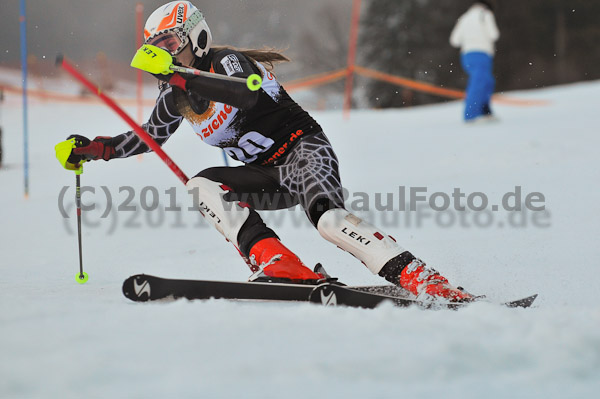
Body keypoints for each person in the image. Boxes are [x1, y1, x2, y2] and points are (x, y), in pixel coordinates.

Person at [61, 1, 471, 301]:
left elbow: (245, 98)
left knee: (328, 222)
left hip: (304, 152)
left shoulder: (227, 62)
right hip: (269, 176)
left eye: (172, 43)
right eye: (159, 48)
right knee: (201, 185)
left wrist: (182, 78)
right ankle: (280, 264)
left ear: (197, 37)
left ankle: (424, 280)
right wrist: (95, 149)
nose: (167, 55)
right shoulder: (175, 94)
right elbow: (147, 137)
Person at [450, 0, 500, 122]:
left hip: (467, 55)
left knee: (487, 81)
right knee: (479, 83)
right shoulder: (486, 15)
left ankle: (484, 111)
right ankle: (471, 115)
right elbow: (494, 34)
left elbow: (454, 40)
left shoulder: (464, 17)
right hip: (481, 53)